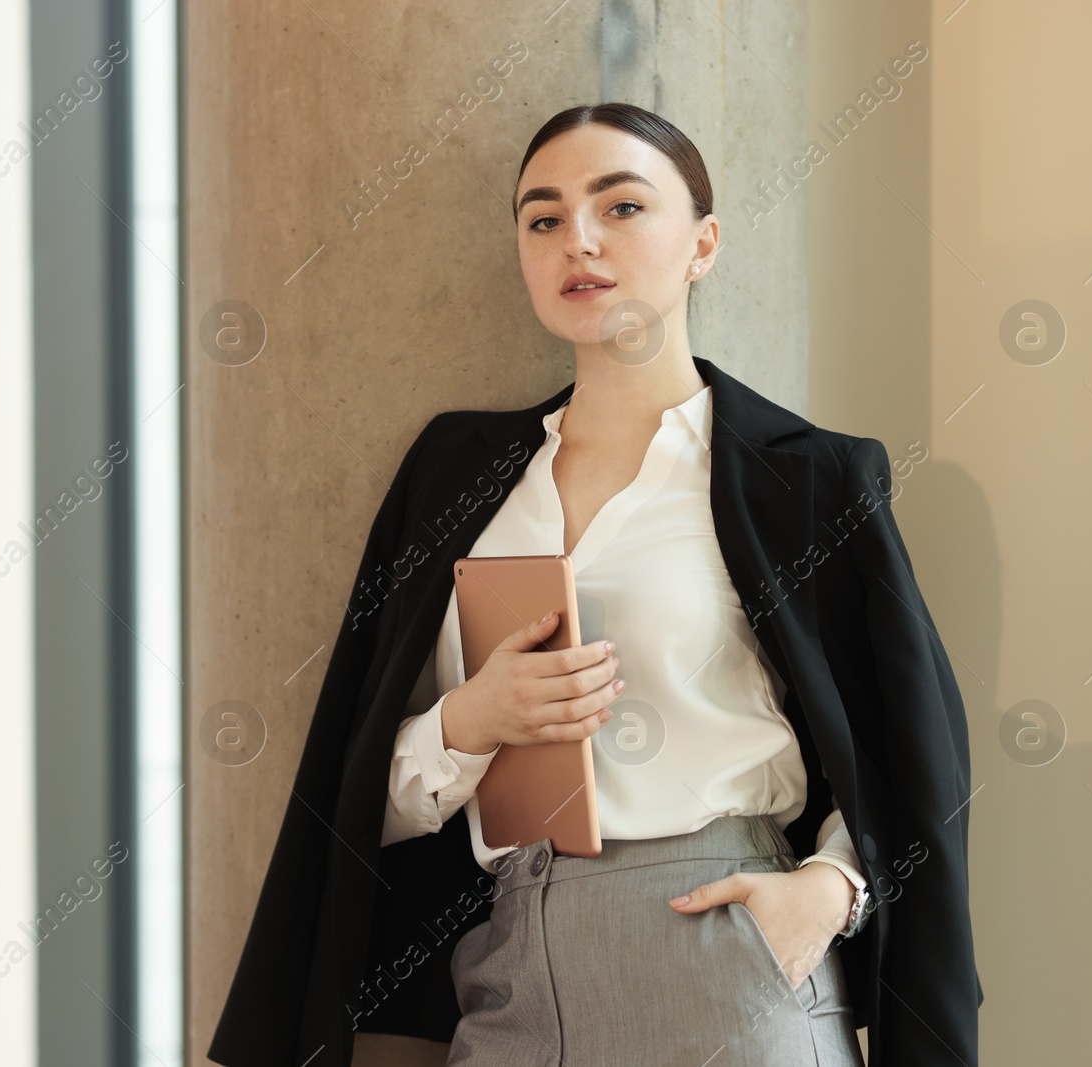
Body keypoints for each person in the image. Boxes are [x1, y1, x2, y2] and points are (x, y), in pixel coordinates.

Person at [208, 103, 981, 1067]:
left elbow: (911, 745)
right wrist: (470, 721)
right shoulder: (453, 476)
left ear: (702, 243)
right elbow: (356, 787)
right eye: (544, 219)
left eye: (621, 207)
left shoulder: (807, 476)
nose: (578, 239)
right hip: (510, 970)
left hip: (729, 958)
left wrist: (829, 889)